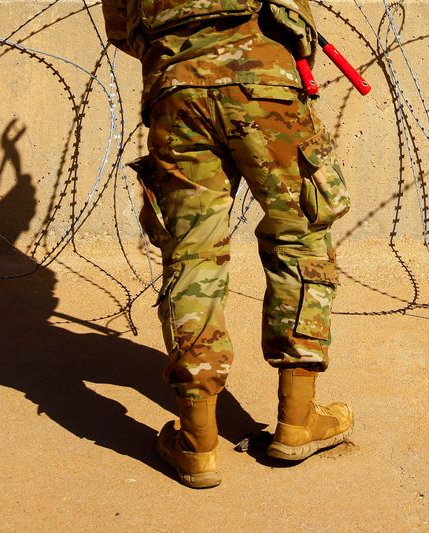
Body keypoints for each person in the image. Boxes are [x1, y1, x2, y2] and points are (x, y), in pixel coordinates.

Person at [102, 0, 354, 488]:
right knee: (300, 238)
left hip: (176, 86)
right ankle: (298, 421)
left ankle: (197, 444)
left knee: (193, 254)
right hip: (266, 78)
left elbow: (121, 28)